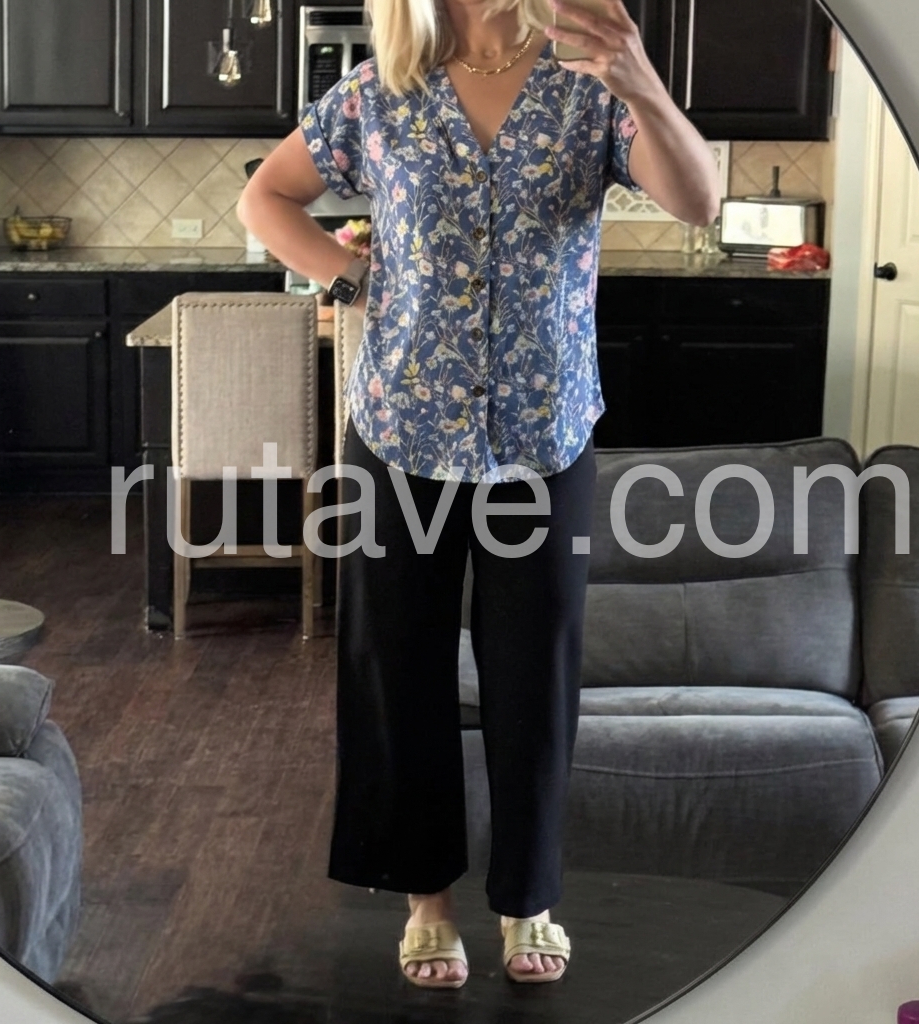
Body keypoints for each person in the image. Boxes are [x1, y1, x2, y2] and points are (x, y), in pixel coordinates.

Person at [237, 0, 719, 990]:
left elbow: (699, 203)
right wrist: (348, 277)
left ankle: (527, 896)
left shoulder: (588, 86)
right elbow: (266, 198)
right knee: (399, 671)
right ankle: (426, 898)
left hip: (543, 435)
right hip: (403, 430)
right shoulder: (378, 93)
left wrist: (640, 81)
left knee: (534, 674)